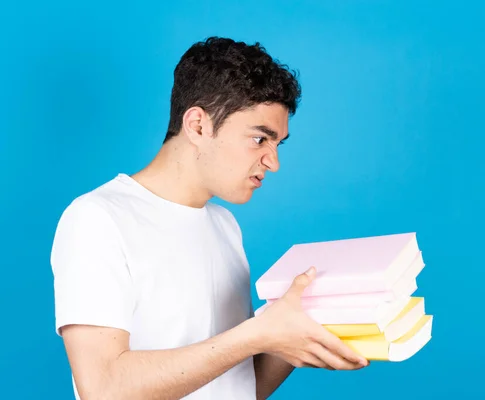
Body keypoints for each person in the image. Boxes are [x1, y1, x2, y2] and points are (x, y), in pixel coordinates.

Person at [50, 36, 368, 400]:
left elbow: (238, 386)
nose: (273, 162)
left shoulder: (224, 225)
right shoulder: (97, 218)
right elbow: (105, 388)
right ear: (198, 125)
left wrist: (295, 334)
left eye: (278, 144)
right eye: (259, 139)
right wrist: (258, 333)